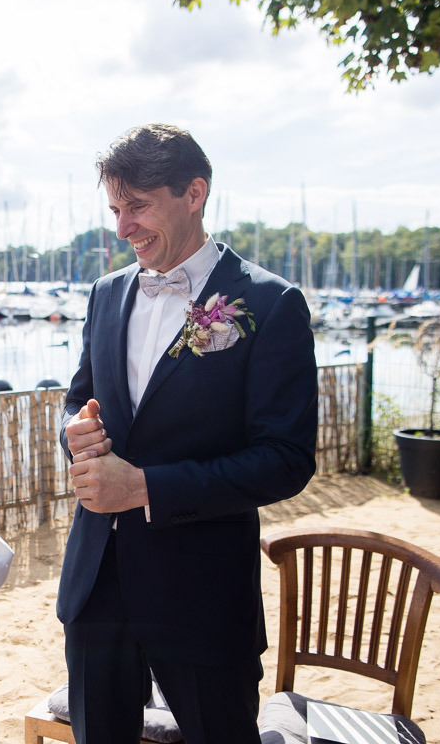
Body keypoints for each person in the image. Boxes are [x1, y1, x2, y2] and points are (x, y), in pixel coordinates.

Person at [58, 123, 319, 744]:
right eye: (116, 208)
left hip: (203, 594)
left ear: (194, 192)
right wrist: (77, 431)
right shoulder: (105, 294)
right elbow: (80, 398)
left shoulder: (271, 303)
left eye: (138, 206)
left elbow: (286, 460)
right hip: (98, 583)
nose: (123, 227)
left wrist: (146, 486)